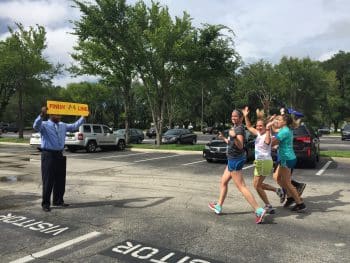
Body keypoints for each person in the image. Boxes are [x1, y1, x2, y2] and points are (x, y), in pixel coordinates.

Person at [208, 109, 266, 224]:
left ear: (240, 118)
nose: (233, 118)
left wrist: (234, 136)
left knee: (242, 186)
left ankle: (258, 210)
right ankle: (219, 206)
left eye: (236, 117)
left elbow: (240, 146)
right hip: (232, 160)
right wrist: (224, 138)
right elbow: (232, 143)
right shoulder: (235, 128)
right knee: (223, 182)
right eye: (232, 116)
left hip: (235, 160)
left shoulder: (238, 129)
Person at [33, 106, 86, 212]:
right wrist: (41, 115)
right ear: (51, 115)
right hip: (48, 155)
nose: (59, 116)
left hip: (59, 154)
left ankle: (58, 200)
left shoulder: (63, 125)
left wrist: (83, 117)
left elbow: (74, 126)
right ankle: (46, 203)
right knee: (48, 180)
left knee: (60, 179)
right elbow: (35, 126)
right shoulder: (44, 125)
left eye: (60, 114)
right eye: (56, 114)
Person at [242, 106, 282, 214]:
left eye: (261, 126)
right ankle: (277, 190)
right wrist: (246, 116)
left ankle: (268, 205)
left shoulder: (266, 134)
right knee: (258, 185)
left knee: (256, 185)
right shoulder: (259, 134)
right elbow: (249, 126)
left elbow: (268, 142)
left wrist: (268, 129)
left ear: (265, 127)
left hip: (264, 162)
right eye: (258, 126)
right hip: (261, 162)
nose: (258, 127)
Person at [267, 114, 306, 212]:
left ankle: (300, 203)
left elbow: (272, 142)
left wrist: (265, 138)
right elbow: (275, 131)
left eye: (279, 120)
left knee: (287, 182)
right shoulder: (285, 129)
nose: (277, 121)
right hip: (285, 158)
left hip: (287, 159)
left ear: (284, 122)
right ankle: (290, 196)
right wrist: (270, 124)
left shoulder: (284, 131)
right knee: (277, 178)